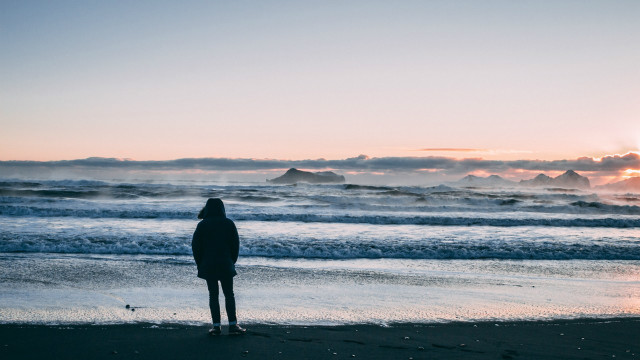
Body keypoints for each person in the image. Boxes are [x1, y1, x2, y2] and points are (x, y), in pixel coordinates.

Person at [192, 198, 246, 335]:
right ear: (222, 209)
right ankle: (233, 326)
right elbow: (235, 245)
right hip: (225, 263)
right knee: (229, 294)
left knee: (213, 295)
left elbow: (196, 247)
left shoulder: (202, 225)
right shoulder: (228, 223)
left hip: (208, 265)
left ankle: (216, 327)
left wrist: (200, 264)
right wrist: (231, 261)